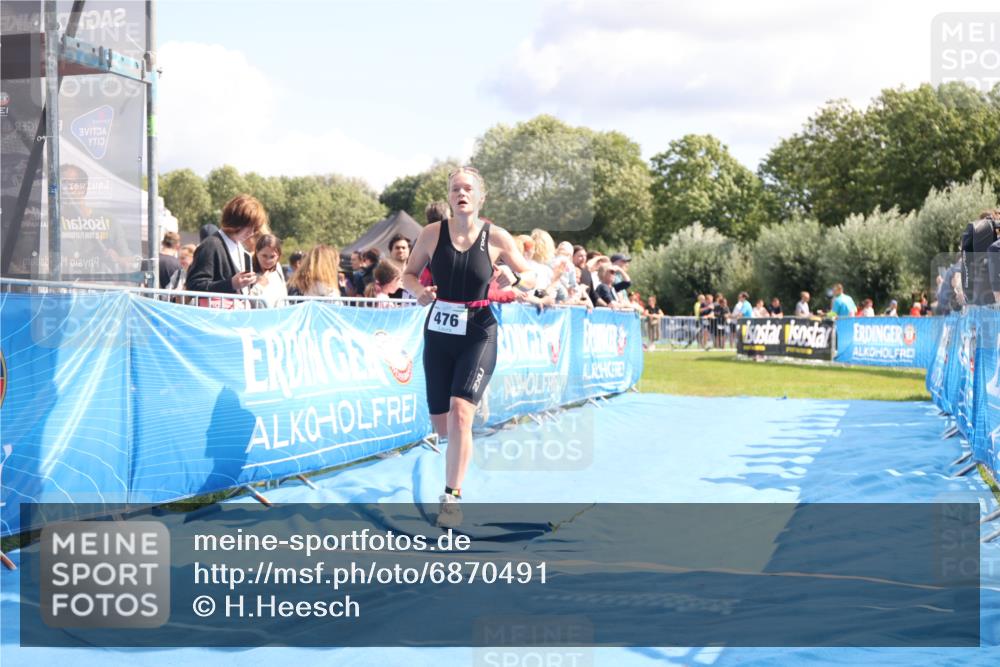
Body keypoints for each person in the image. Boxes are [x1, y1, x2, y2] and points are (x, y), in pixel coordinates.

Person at [401, 167, 535, 528]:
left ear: (480, 198)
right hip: (440, 331)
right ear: (449, 197)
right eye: (455, 188)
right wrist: (419, 292)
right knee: (442, 425)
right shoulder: (431, 234)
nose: (461, 193)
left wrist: (516, 275)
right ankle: (471, 400)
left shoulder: (497, 237)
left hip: (479, 329)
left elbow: (533, 275)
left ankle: (451, 497)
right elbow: (408, 274)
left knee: (461, 413)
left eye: (468, 189)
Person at [187, 194, 267, 301]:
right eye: (249, 226)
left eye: (255, 228)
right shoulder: (211, 245)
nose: (252, 233)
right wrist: (231, 284)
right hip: (214, 314)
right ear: (237, 221)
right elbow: (194, 286)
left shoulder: (242, 250)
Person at [249, 234, 288, 308]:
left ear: (278, 256)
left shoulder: (278, 270)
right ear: (257, 253)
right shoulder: (249, 272)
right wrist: (259, 285)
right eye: (264, 256)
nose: (268, 260)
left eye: (272, 256)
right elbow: (246, 301)